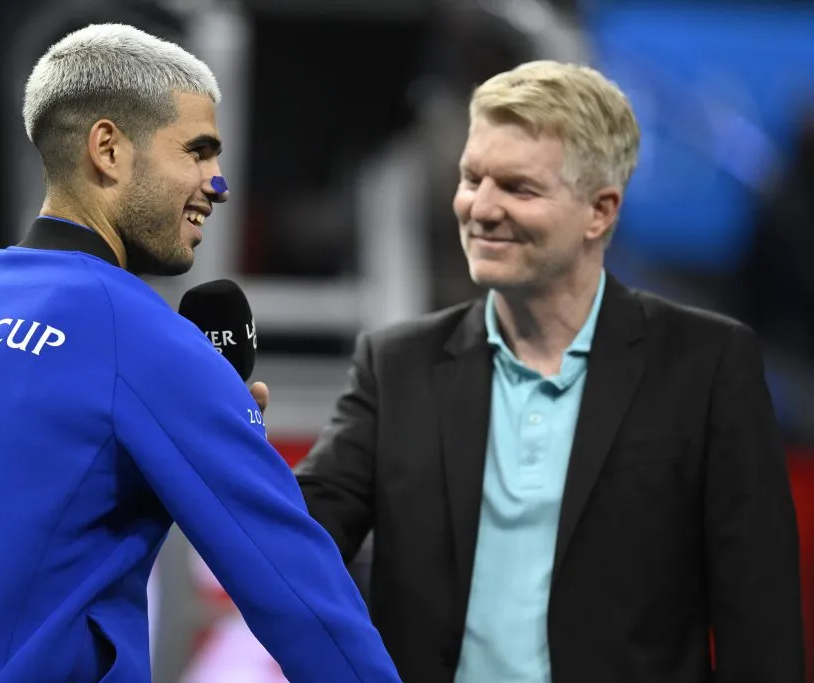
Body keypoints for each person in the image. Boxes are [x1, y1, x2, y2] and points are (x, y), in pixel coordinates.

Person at [0, 23, 401, 683]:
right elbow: (298, 589)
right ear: (109, 150)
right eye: (197, 152)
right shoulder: (142, 336)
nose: (219, 183)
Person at [290, 60, 806, 682]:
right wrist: (230, 424)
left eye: (518, 188)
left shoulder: (707, 366)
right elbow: (297, 538)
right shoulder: (396, 365)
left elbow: (762, 624)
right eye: (471, 178)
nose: (480, 208)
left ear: (600, 212)